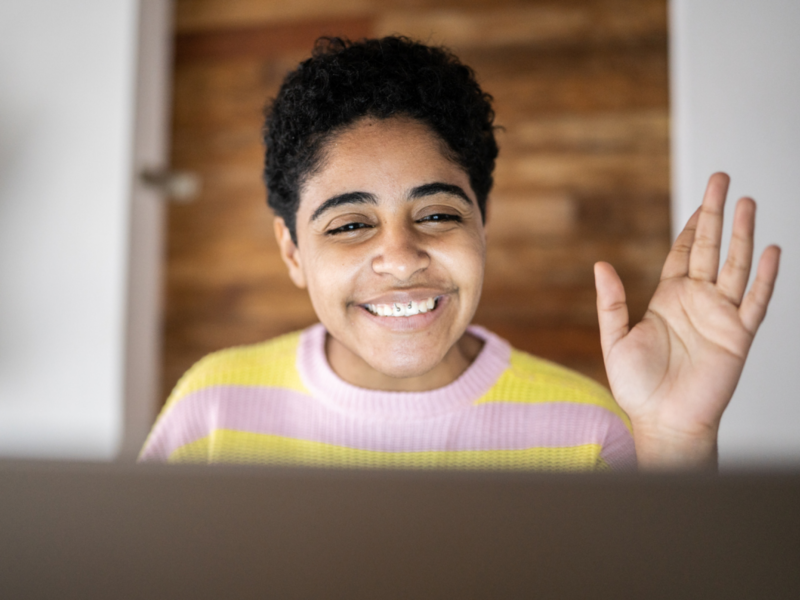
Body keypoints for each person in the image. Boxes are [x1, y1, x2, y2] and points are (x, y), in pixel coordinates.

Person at [139, 36, 780, 471]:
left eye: (438, 214)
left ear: (484, 223)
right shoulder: (212, 410)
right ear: (292, 251)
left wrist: (676, 441)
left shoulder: (588, 434)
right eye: (350, 225)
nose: (401, 255)